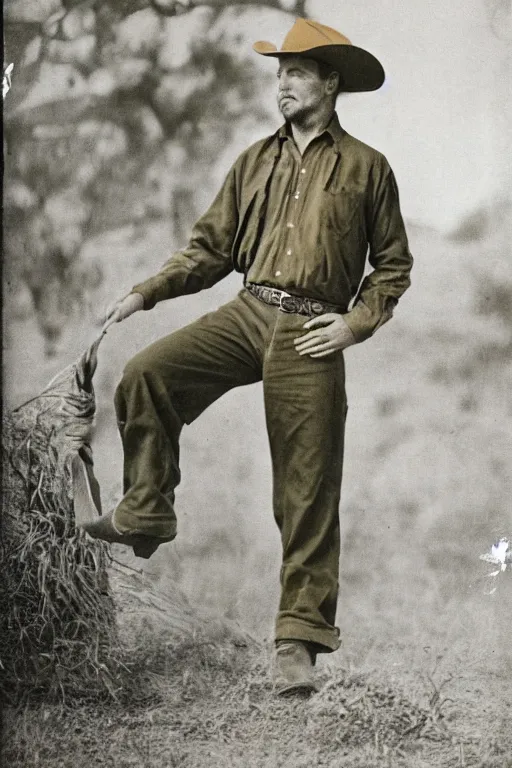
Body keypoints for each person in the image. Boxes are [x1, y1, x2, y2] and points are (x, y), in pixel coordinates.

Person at [82, 18, 413, 695]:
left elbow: (392, 267)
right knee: (148, 374)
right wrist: (144, 293)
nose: (284, 83)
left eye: (297, 71)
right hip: (248, 309)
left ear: (330, 82)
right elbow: (209, 251)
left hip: (311, 330)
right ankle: (147, 508)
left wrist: (353, 325)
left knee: (307, 489)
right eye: (279, 72)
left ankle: (298, 643)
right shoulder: (254, 161)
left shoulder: (367, 168)